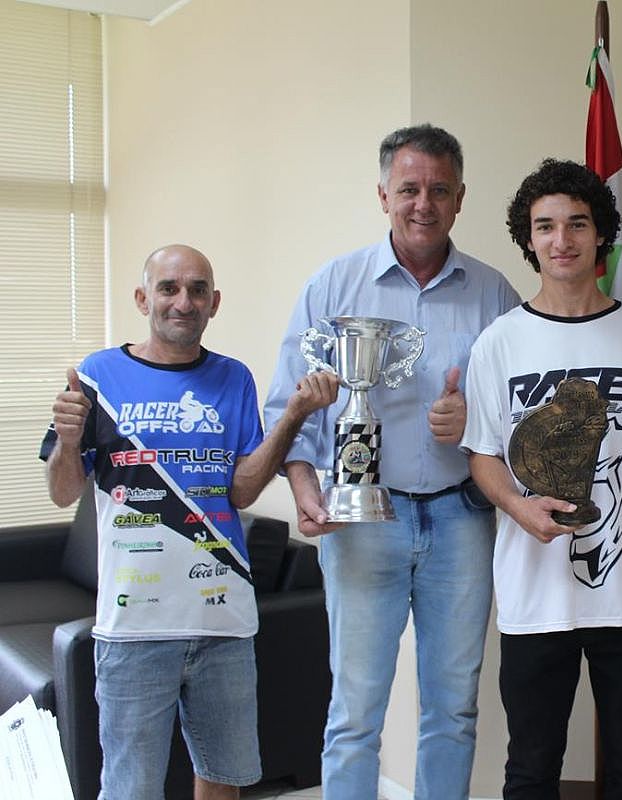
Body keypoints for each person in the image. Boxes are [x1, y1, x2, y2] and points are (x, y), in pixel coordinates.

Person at [262, 124, 520, 800]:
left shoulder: (495, 295)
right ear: (383, 195)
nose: (423, 204)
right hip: (359, 522)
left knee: (454, 708)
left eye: (439, 190)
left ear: (460, 199)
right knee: (354, 714)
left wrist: (475, 424)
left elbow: (521, 414)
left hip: (461, 520)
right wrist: (304, 488)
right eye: (409, 189)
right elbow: (289, 406)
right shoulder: (334, 287)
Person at [41, 244, 339, 800]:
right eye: (169, 288)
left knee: (223, 779)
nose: (184, 301)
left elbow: (242, 488)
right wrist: (68, 439)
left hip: (222, 621)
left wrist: (295, 415)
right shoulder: (98, 376)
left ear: (214, 302)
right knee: (130, 788)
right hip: (132, 630)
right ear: (143, 298)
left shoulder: (233, 378)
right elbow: (63, 493)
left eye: (198, 289)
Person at [461, 158, 622, 799]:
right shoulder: (499, 342)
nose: (563, 240)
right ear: (528, 239)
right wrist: (517, 508)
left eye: (578, 224)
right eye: (546, 226)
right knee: (532, 768)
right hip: (534, 595)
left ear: (601, 234)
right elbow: (482, 455)